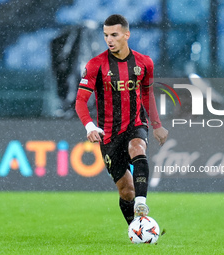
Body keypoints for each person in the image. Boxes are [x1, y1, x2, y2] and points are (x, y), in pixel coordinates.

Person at [75, 14, 168, 225]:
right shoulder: (95, 65)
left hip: (135, 123)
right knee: (126, 190)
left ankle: (142, 203)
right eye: (106, 35)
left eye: (114, 35)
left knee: (138, 148)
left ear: (127, 35)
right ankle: (135, 227)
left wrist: (156, 125)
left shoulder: (144, 63)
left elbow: (147, 94)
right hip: (109, 134)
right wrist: (90, 126)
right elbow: (80, 101)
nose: (109, 39)